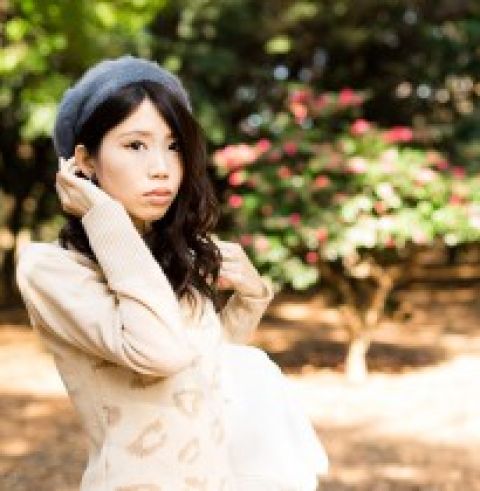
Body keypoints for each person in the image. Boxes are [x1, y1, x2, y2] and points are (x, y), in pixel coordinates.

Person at [15, 55, 328, 490]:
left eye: (174, 146)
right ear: (84, 161)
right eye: (135, 145)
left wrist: (250, 298)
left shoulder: (170, 257)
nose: (161, 167)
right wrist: (104, 216)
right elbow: (160, 352)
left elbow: (200, 373)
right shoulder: (50, 269)